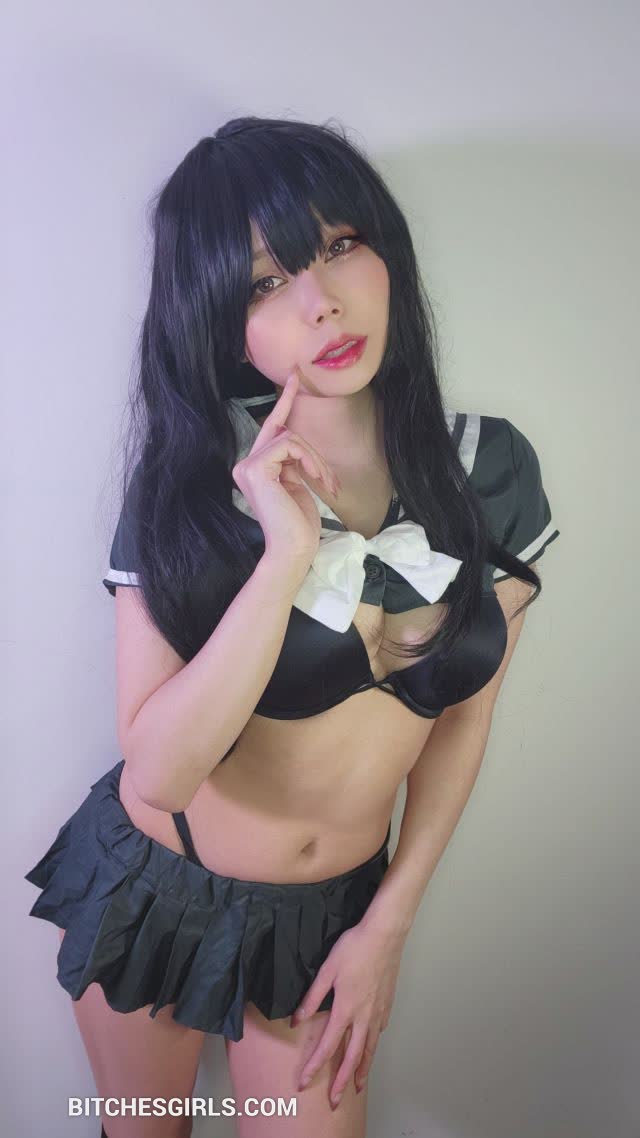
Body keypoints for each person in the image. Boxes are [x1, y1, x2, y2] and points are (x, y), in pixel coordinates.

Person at [25, 115, 560, 1138]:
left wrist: (389, 922)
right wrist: (282, 557)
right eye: (265, 283)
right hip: (156, 889)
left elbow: (463, 718)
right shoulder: (189, 492)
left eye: (339, 246)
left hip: (332, 915)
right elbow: (159, 771)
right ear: (222, 324)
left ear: (384, 251)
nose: (321, 302)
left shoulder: (490, 470)